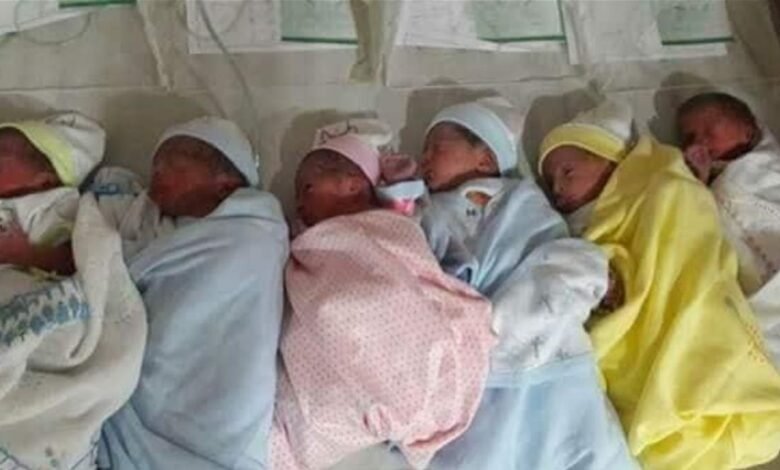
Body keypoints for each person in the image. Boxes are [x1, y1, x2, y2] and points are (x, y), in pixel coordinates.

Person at [539, 99, 780, 469]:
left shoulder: (663, 182)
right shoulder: (574, 226)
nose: (557, 187)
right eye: (551, 182)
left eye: (568, 171)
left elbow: (685, 212)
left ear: (608, 160)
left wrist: (690, 183)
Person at [418, 98, 636, 470]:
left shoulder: (524, 198)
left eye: (435, 148)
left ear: (485, 159)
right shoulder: (431, 211)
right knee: (481, 452)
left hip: (553, 352)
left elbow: (555, 243)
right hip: (480, 367)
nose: (424, 159)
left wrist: (588, 271)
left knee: (586, 442)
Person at [271, 121, 494, 470]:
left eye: (319, 177)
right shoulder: (304, 240)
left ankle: (406, 401)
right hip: (328, 347)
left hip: (392, 316)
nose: (303, 194)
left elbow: (413, 262)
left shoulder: (390, 223)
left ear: (358, 185)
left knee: (376, 304)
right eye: (301, 189)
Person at [97, 117, 289, 470]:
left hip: (217, 411)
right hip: (145, 400)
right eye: (155, 165)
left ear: (225, 182)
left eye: (173, 163)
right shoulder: (159, 231)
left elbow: (125, 271)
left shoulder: (253, 233)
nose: (156, 173)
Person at [0, 112, 147, 469]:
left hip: (61, 332)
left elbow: (90, 261)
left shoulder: (65, 210)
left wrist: (26, 254)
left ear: (45, 177)